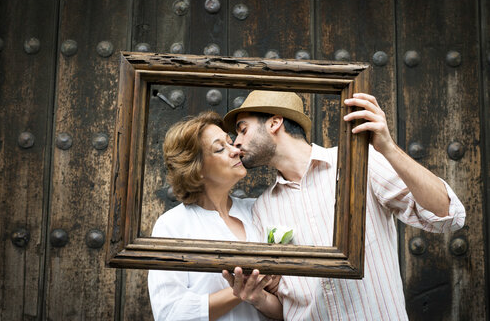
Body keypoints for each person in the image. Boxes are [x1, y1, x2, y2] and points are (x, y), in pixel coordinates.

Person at [221, 90, 466, 320]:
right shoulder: (263, 209)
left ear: (274, 123)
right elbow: (287, 307)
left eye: (243, 130)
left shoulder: (359, 164)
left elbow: (447, 215)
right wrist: (258, 298)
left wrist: (388, 148)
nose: (236, 142)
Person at [147, 111, 283, 321]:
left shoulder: (258, 210)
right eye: (220, 148)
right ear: (196, 168)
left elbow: (289, 302)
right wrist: (239, 291)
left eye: (231, 142)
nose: (235, 150)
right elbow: (169, 314)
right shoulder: (172, 226)